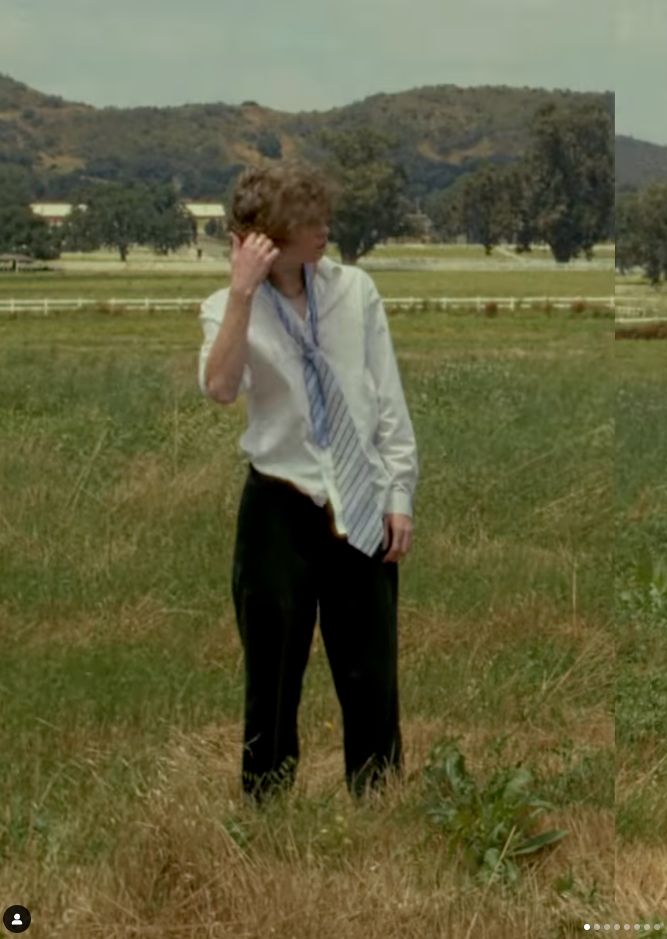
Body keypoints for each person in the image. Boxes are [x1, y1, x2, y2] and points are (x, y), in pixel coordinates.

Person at [197, 161, 418, 802]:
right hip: (278, 506)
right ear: (265, 235)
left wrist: (398, 493)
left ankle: (377, 799)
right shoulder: (225, 308)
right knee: (273, 668)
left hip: (361, 495)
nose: (325, 229)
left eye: (323, 216)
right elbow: (219, 388)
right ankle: (266, 803)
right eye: (308, 222)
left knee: (370, 668)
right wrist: (242, 294)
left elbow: (387, 399)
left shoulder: (355, 291)